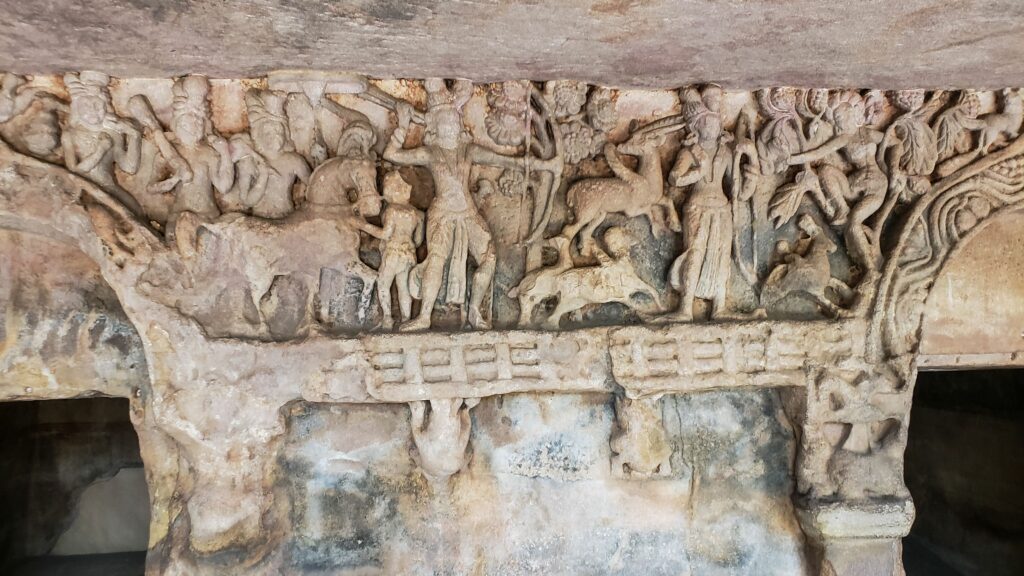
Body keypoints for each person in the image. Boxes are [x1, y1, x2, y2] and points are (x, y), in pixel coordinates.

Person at [384, 78, 558, 331]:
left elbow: (506, 161)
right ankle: (424, 316)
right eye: (444, 119)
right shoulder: (430, 153)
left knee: (489, 257)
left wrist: (545, 165)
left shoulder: (469, 150)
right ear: (434, 124)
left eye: (453, 118)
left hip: (468, 212)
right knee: (436, 259)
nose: (450, 123)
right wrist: (402, 125)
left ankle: (475, 311)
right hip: (443, 213)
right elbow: (391, 155)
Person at [352, 172, 424, 330]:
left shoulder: (392, 210)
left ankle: (387, 318)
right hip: (409, 254)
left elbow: (385, 234)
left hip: (393, 253)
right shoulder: (416, 214)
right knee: (403, 288)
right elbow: (418, 240)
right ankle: (406, 319)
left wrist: (363, 226)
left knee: (383, 284)